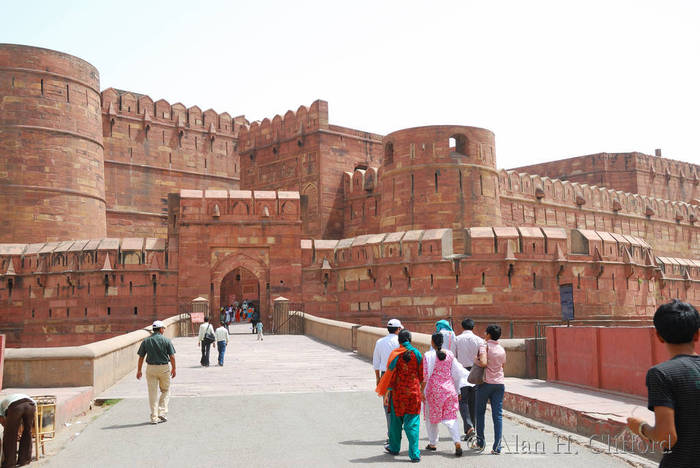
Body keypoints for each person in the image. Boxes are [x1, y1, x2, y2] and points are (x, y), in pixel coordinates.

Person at [627, 299, 700, 468]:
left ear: (659, 336)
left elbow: (666, 437)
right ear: (697, 334)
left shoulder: (661, 374)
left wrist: (641, 428)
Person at [376, 330, 423, 463]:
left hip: (398, 394)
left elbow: (390, 376)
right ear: (410, 339)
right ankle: (414, 454)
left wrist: (387, 393)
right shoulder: (417, 354)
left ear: (399, 341)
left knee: (396, 423)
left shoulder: (395, 354)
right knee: (412, 424)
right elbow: (421, 375)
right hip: (413, 394)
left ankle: (394, 447)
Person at [421, 332, 468, 457]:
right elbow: (457, 373)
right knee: (451, 418)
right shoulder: (450, 355)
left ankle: (432, 443)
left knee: (432, 418)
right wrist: (458, 390)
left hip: (434, 391)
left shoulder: (428, 356)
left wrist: (422, 391)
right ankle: (457, 442)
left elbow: (425, 377)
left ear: (432, 342)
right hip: (449, 390)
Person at [474, 324, 506, 454]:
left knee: (480, 413)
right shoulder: (501, 349)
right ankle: (497, 446)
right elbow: (503, 364)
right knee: (497, 415)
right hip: (499, 384)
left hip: (485, 383)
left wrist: (476, 360)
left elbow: (483, 363)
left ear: (488, 335)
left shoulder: (484, 346)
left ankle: (480, 442)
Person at [136, 320, 176, 424]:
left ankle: (154, 417)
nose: (164, 330)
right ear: (160, 329)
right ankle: (162, 412)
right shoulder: (166, 340)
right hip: (164, 368)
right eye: (163, 328)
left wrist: (139, 370)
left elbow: (141, 357)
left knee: (152, 393)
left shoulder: (146, 341)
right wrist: (174, 368)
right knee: (165, 390)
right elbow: (172, 357)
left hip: (151, 368)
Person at [454, 318, 484, 440]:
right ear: (473, 327)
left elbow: (454, 357)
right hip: (475, 370)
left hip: (462, 371)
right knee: (474, 401)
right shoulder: (479, 340)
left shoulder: (457, 339)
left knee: (463, 400)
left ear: (462, 327)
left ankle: (469, 427)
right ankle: (472, 428)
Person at [373, 318, 402, 442]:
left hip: (386, 375)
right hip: (399, 375)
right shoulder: (400, 341)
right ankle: (398, 430)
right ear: (398, 329)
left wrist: (378, 378)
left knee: (387, 405)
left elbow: (376, 362)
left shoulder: (380, 342)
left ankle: (391, 433)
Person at [0, 394, 36, 467]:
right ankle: (25, 460)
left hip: (16, 406)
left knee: (10, 435)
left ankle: (10, 463)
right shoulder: (6, 401)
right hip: (31, 404)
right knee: (27, 431)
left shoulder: (1, 406)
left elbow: (2, 420)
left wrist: (8, 429)